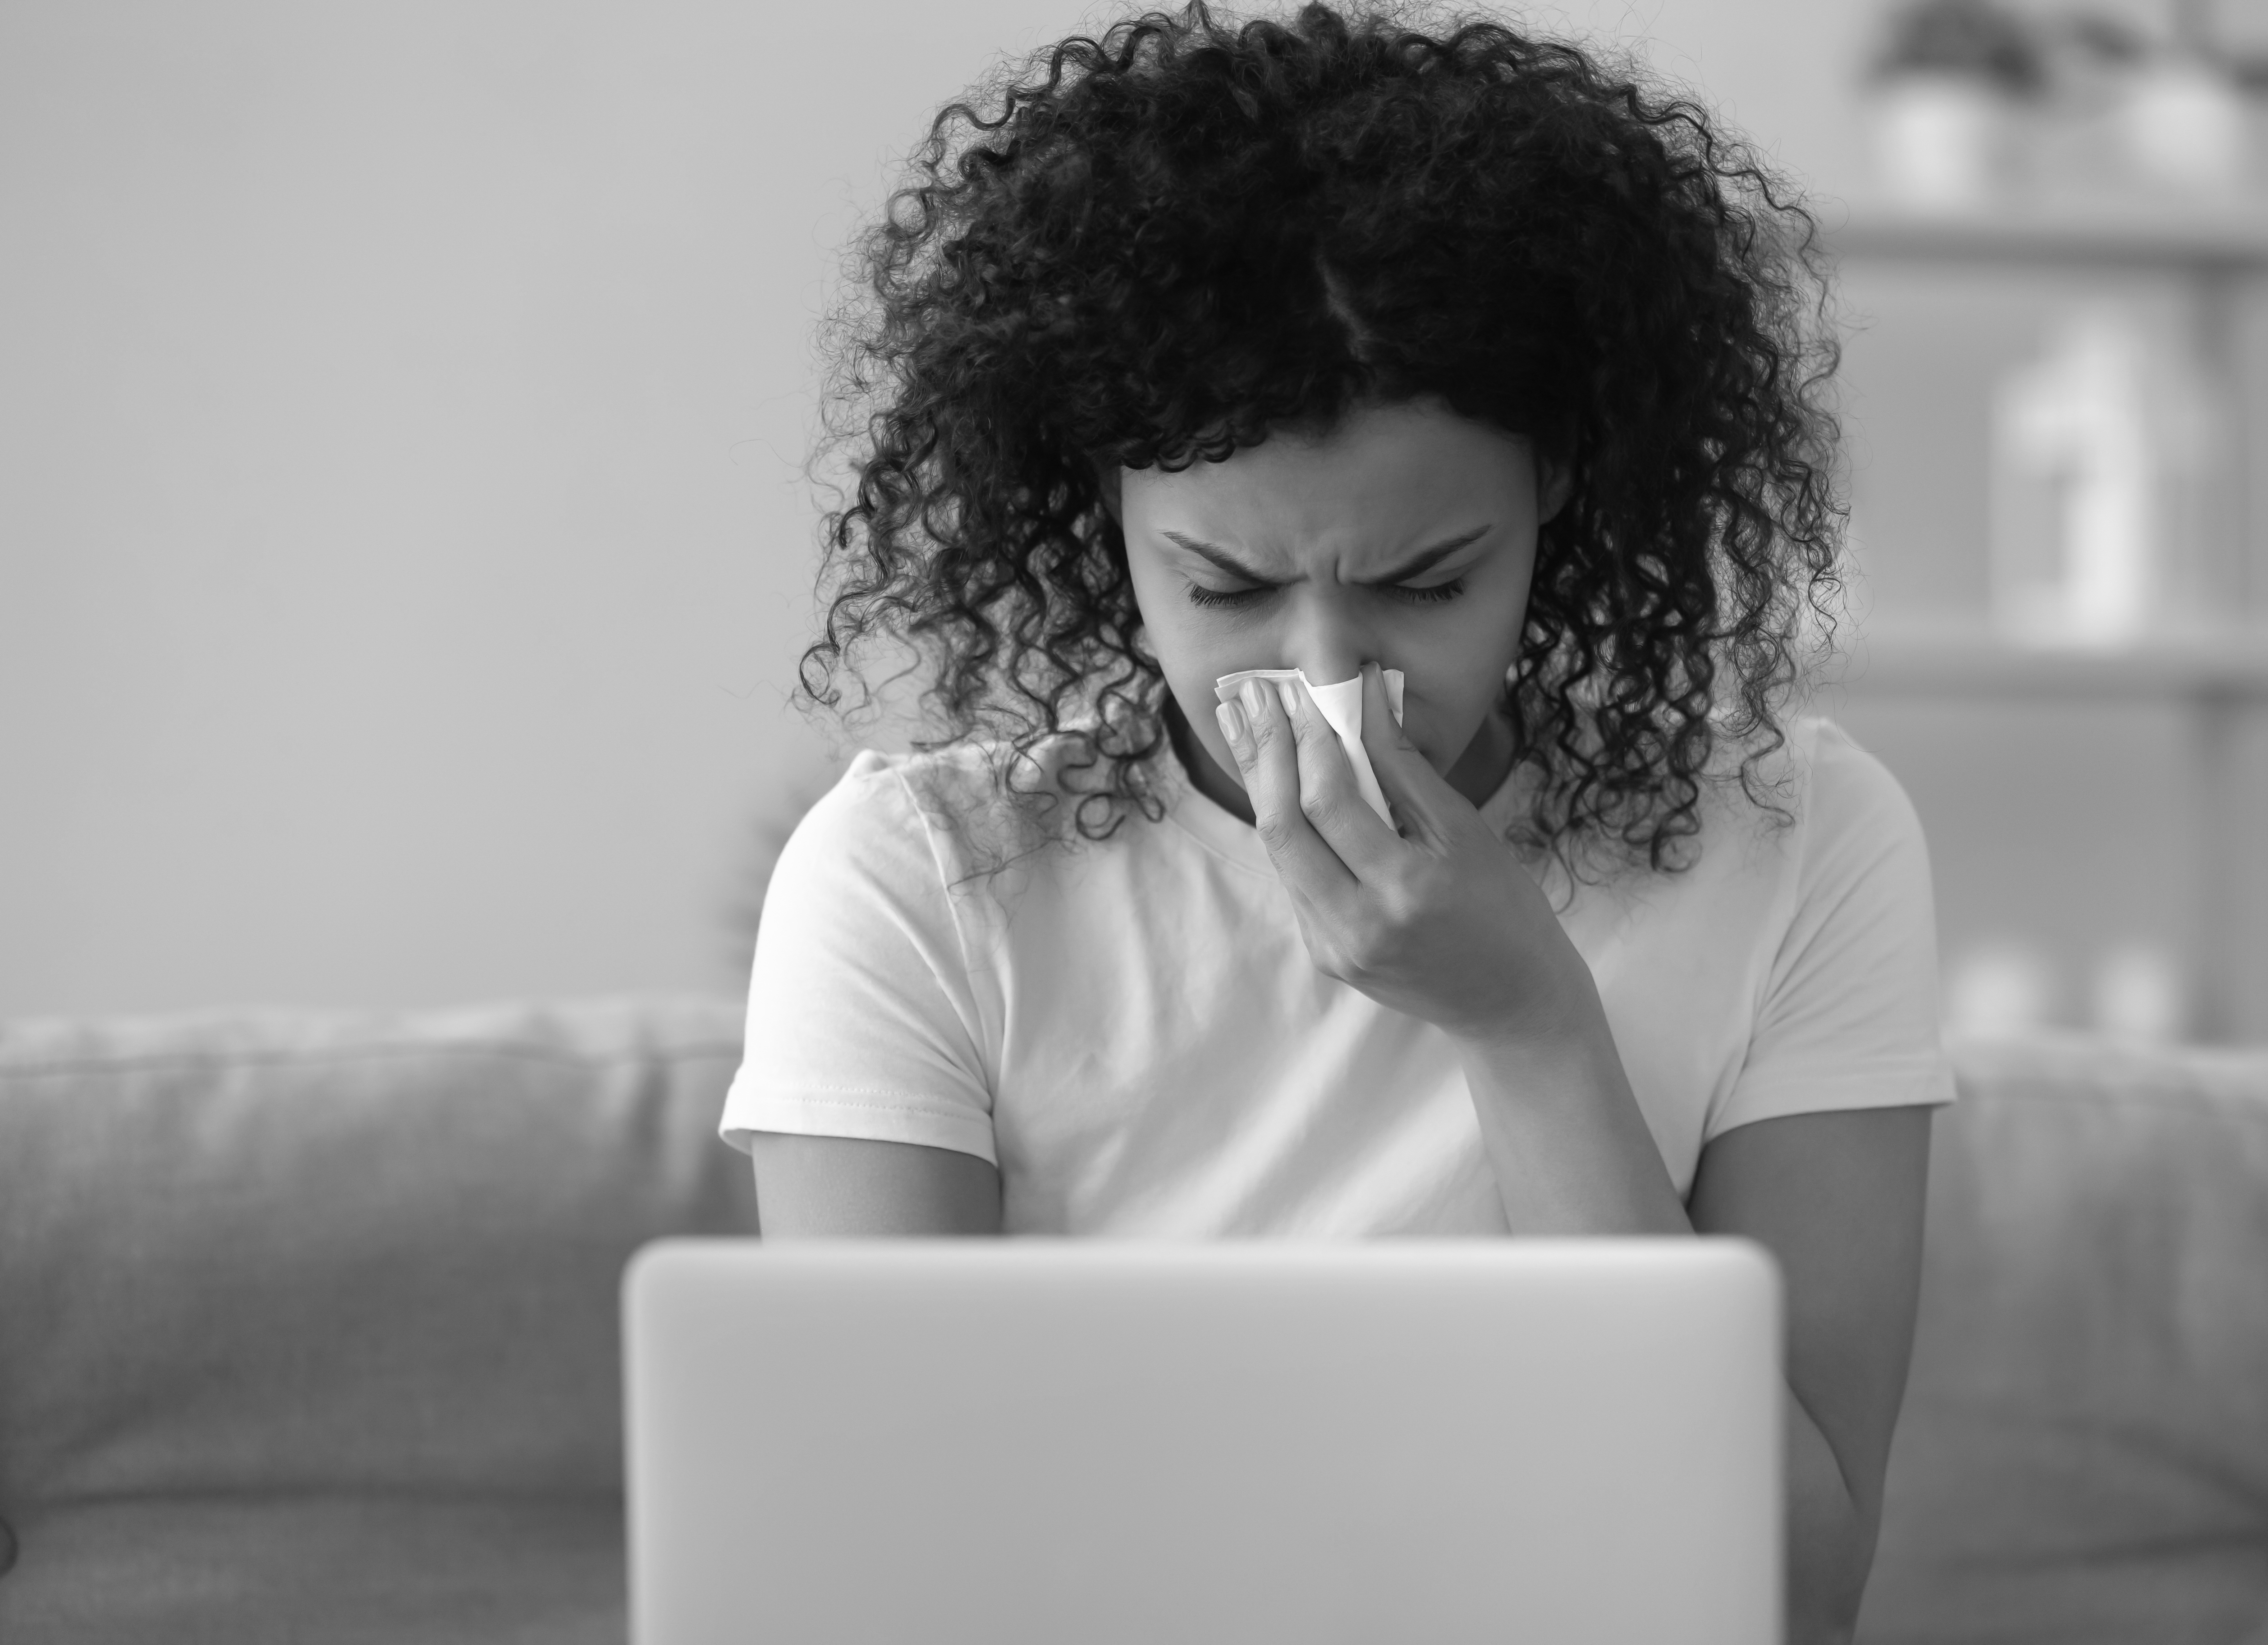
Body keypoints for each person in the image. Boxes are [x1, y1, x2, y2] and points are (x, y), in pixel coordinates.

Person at [723, 4, 1952, 1638]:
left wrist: (1527, 1024)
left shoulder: (1797, 837)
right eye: (1225, 586)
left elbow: (1790, 1597)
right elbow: (868, 1578)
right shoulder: (925, 882)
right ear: (1105, 511)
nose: (1319, 675)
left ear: (1559, 487)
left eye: (1425, 582)